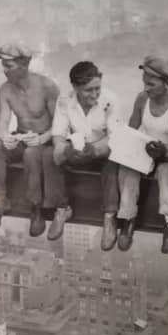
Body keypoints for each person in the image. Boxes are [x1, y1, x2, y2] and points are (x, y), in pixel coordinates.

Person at [0, 43, 60, 236]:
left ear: (24, 65)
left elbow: (60, 124)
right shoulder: (5, 90)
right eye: (3, 65)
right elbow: (2, 123)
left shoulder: (47, 86)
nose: (4, 70)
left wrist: (42, 138)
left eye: (9, 66)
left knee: (31, 153)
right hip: (22, 136)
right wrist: (5, 137)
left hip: (45, 140)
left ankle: (36, 208)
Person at [116, 55, 168, 253]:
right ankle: (128, 218)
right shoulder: (142, 99)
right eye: (145, 83)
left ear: (166, 83)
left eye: (151, 84)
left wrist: (164, 151)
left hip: (165, 154)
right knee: (128, 169)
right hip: (143, 149)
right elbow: (132, 128)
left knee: (166, 174)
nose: (146, 88)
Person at [50, 60, 121, 247]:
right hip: (78, 149)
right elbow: (58, 133)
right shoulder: (65, 100)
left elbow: (115, 136)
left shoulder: (110, 99)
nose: (95, 94)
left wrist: (95, 149)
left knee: (113, 163)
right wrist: (66, 150)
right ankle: (62, 208)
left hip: (102, 150)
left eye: (97, 88)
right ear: (75, 87)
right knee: (54, 157)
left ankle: (109, 217)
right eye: (89, 90)